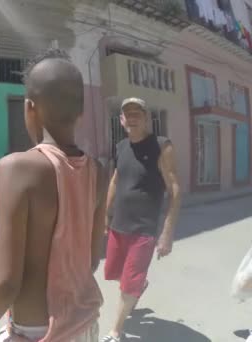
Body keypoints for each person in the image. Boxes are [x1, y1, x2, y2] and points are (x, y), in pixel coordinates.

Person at [0, 49, 106, 342]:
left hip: (36, 333)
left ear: (29, 107)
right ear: (80, 112)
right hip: (85, 325)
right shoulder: (98, 171)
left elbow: (6, 283)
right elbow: (91, 260)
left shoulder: (17, 168)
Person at [102, 98, 181, 342]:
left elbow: (174, 190)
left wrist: (167, 233)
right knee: (112, 272)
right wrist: (106, 214)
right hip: (119, 225)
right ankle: (139, 285)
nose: (132, 117)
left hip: (144, 229)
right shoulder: (121, 146)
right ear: (122, 120)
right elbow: (116, 179)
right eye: (128, 114)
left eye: (138, 113)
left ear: (147, 117)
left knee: (127, 285)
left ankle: (116, 331)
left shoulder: (161, 146)